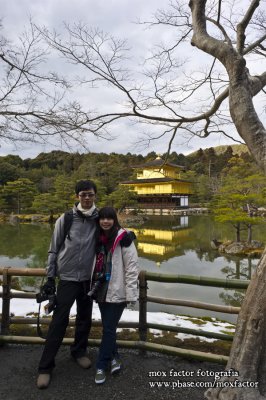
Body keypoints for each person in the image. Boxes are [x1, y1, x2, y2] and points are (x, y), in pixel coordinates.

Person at [37, 179, 98, 389]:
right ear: (77, 196)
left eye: (90, 194)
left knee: (84, 319)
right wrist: (50, 278)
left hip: (88, 279)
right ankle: (45, 367)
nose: (87, 198)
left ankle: (79, 352)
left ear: (95, 196)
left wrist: (127, 236)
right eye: (83, 194)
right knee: (59, 321)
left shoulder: (99, 219)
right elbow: (53, 249)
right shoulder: (66, 219)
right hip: (68, 278)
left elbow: (114, 231)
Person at [91, 206, 139, 385]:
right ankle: (115, 357)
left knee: (108, 329)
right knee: (108, 327)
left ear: (115, 220)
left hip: (118, 290)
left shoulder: (124, 239)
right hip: (102, 290)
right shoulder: (98, 238)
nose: (105, 221)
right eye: (102, 218)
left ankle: (101, 365)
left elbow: (132, 267)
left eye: (109, 218)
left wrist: (130, 294)